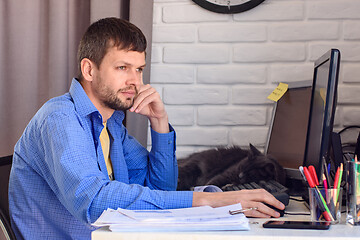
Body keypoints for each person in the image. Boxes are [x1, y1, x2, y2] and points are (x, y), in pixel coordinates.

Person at [9, 17, 284, 240]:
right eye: (122, 67)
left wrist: (159, 124)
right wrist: (206, 201)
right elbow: (94, 202)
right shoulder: (60, 118)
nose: (134, 81)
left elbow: (162, 186)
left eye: (139, 69)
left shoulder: (111, 125)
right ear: (89, 70)